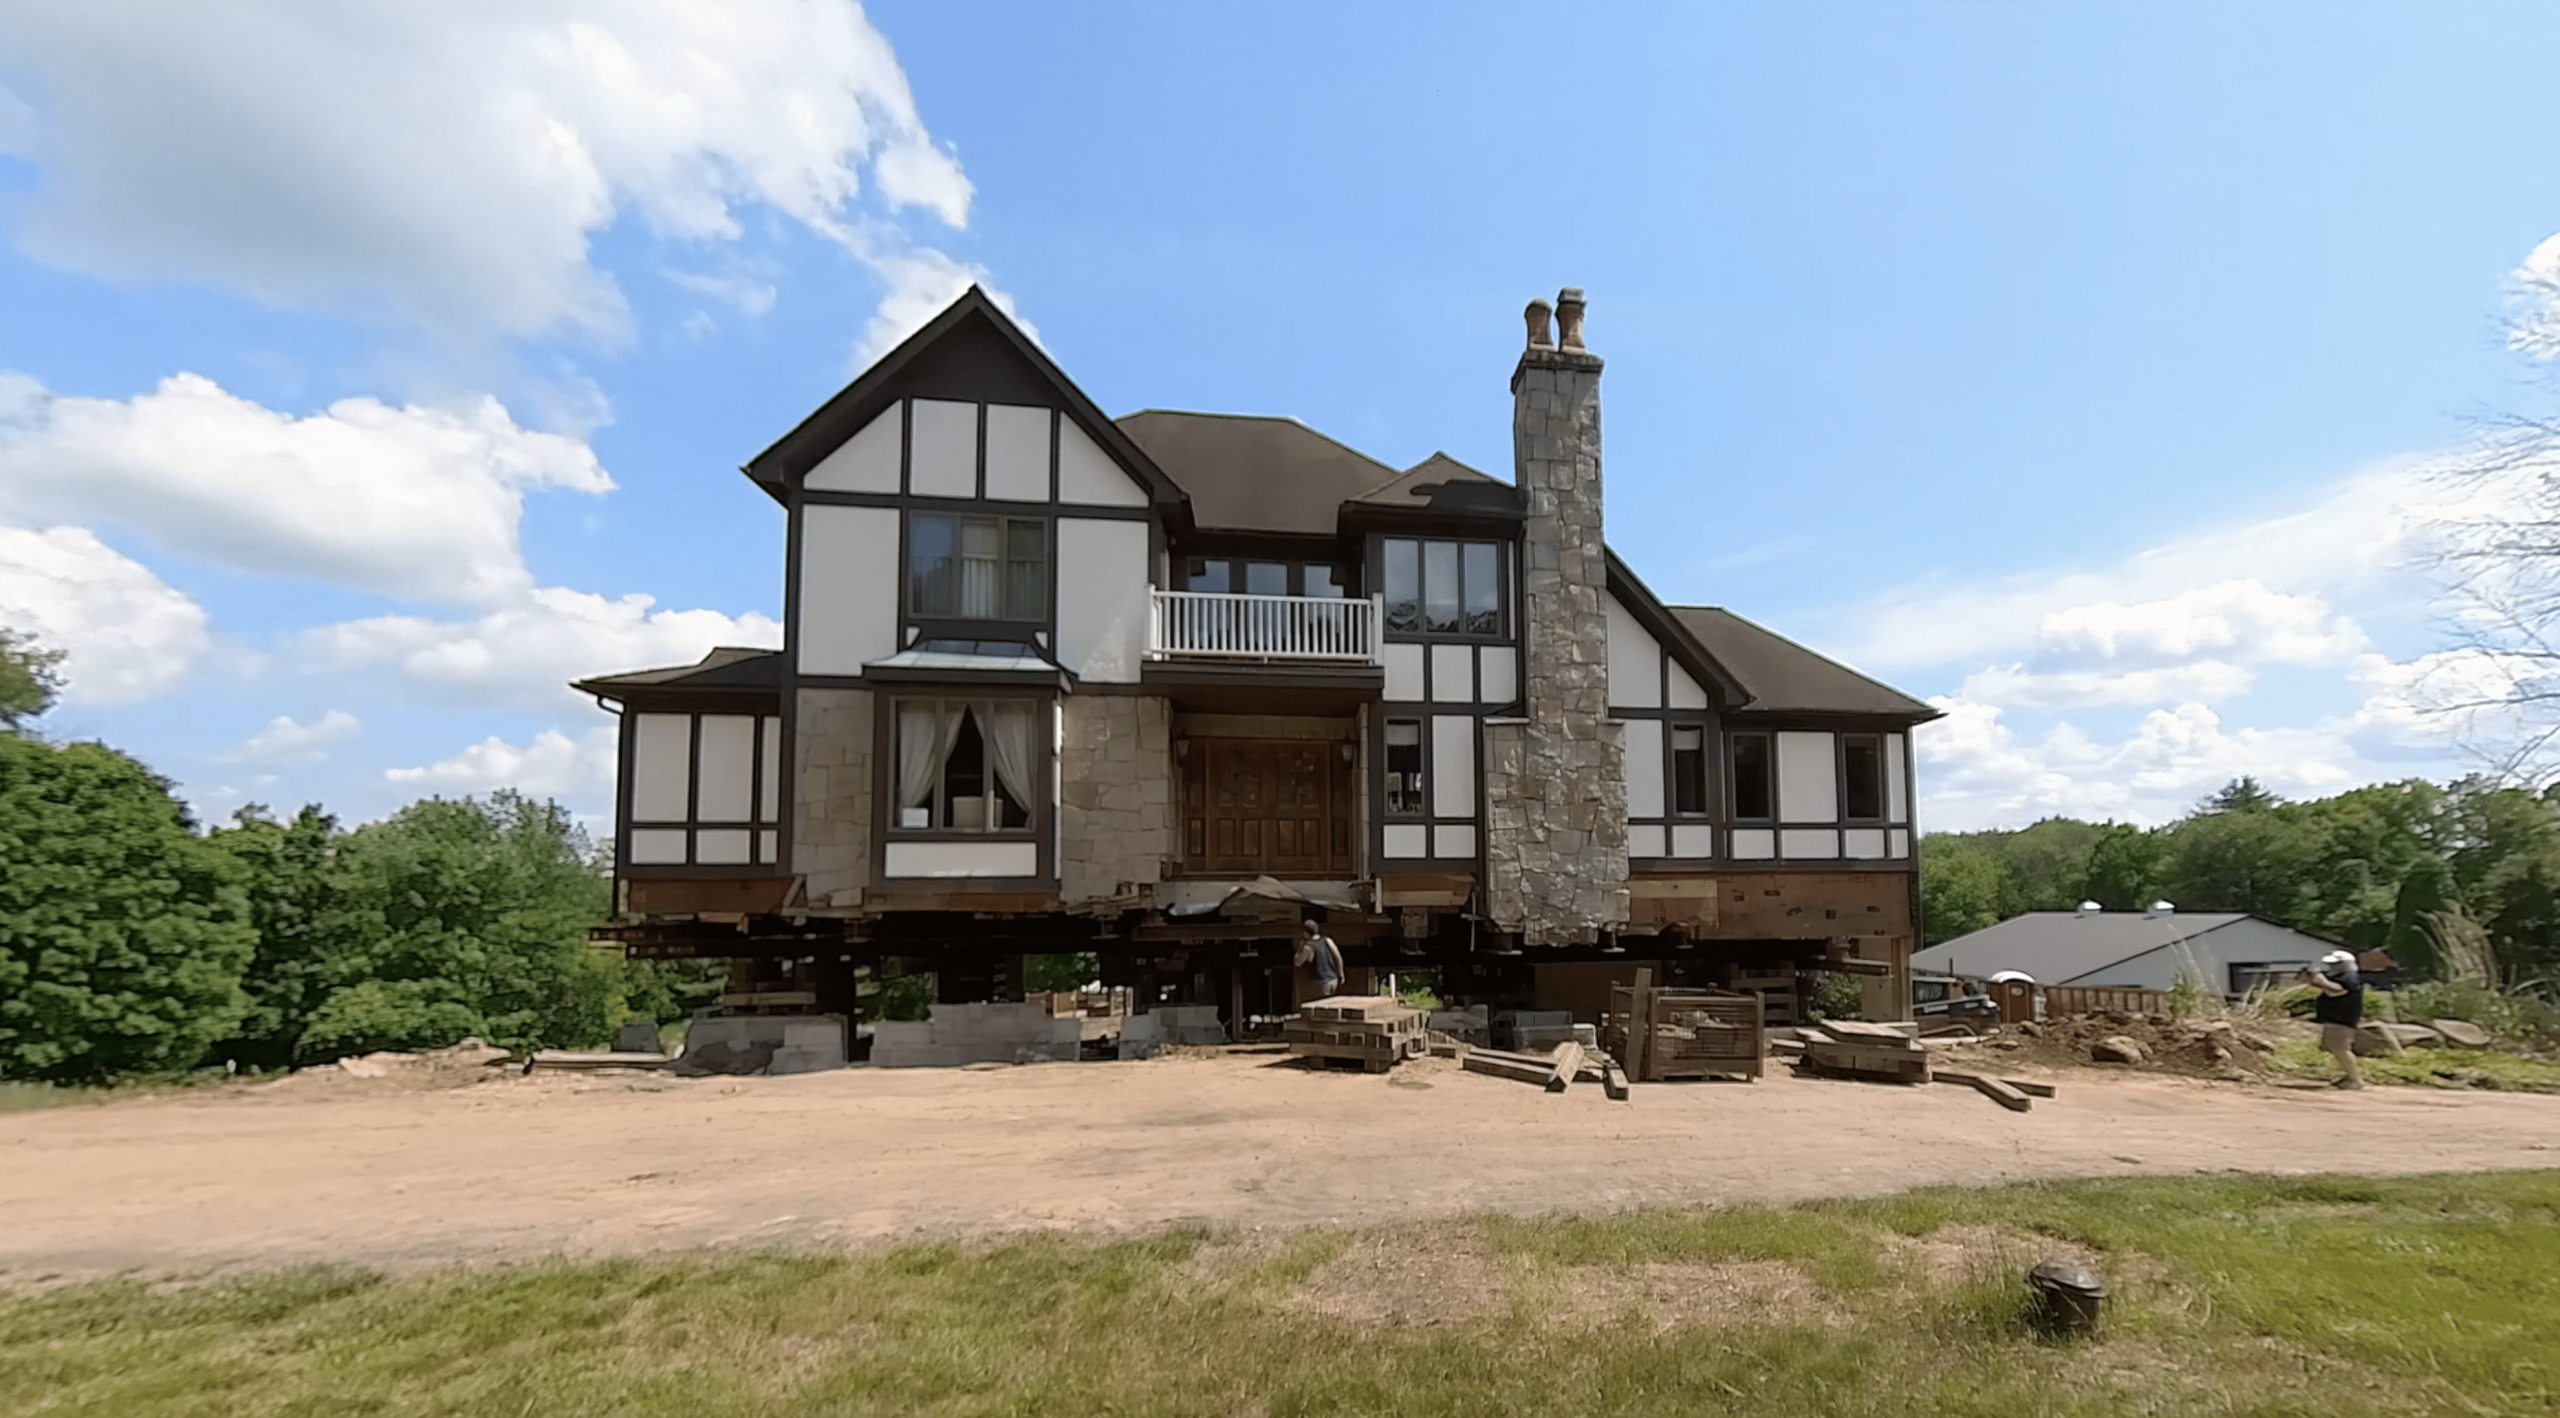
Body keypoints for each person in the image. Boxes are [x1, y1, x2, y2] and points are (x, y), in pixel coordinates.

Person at [2307, 948, 2365, 1090]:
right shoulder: (2341, 976)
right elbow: (2329, 991)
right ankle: (2348, 1075)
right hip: (2334, 1018)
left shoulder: (2349, 977)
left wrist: (2322, 980)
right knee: (2334, 1047)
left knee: (2341, 1049)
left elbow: (2338, 991)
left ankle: (2355, 1079)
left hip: (2342, 1019)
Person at [1296, 919, 1345, 1000]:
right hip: (1333, 980)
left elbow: (1297, 962)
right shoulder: (1327, 940)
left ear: (1305, 932)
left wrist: (1300, 945)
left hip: (1319, 982)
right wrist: (1341, 974)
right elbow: (1338, 957)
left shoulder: (1308, 947)